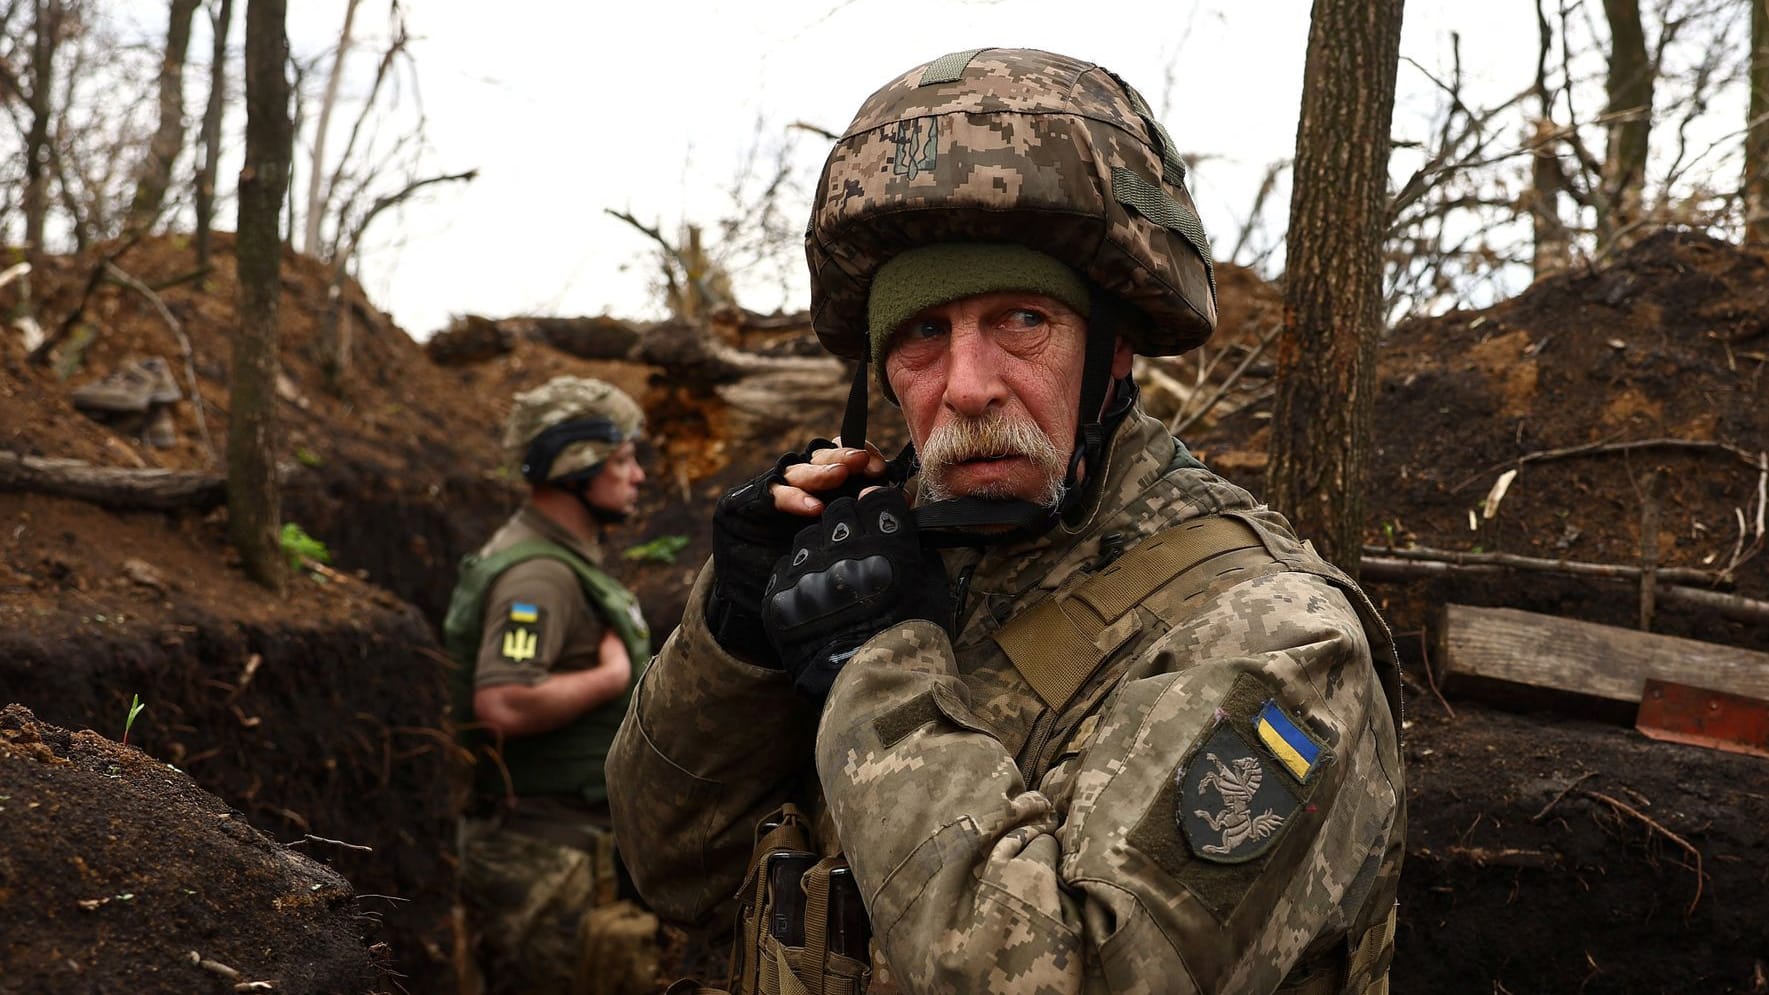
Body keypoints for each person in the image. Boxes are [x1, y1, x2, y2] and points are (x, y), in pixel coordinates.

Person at [607, 47, 1405, 995]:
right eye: (920, 335)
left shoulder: (1272, 636)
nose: (967, 386)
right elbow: (670, 867)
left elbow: (1078, 977)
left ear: (1112, 353)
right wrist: (733, 637)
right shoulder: (888, 549)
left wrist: (879, 667)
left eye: (1022, 319)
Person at [443, 375, 657, 995]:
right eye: (622, 459)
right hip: (543, 857)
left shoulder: (550, 558)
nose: (637, 474)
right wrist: (611, 677)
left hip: (553, 848)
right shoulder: (538, 577)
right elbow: (504, 701)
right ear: (576, 466)